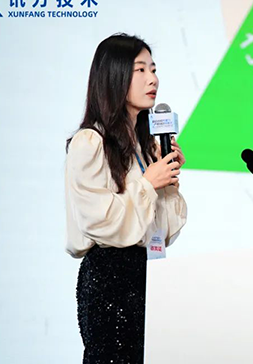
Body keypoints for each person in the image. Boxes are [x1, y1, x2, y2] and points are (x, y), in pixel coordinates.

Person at [64, 33, 187, 363]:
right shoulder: (90, 142)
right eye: (140, 70)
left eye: (154, 69)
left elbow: (163, 231)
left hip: (148, 273)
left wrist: (167, 182)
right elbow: (100, 221)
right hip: (110, 278)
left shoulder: (143, 149)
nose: (153, 79)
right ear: (114, 76)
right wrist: (147, 184)